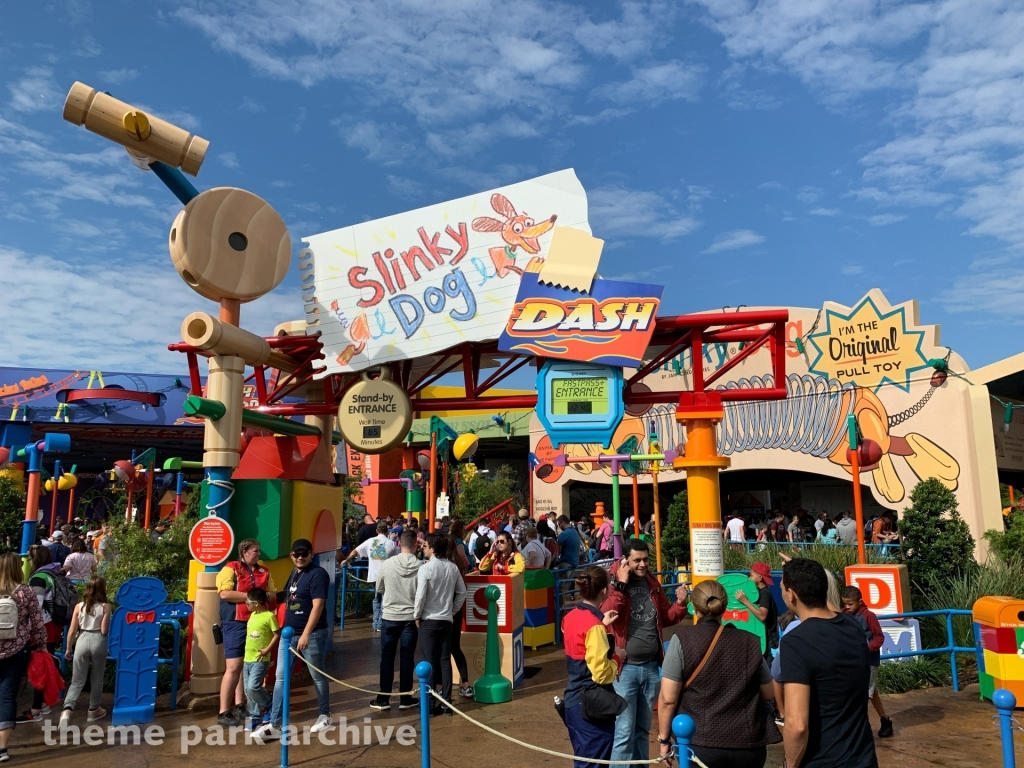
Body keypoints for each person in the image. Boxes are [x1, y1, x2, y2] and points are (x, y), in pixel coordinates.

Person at [658, 580, 777, 768]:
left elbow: (667, 699)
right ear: (725, 606)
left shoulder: (682, 640)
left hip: (698, 742)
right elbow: (769, 693)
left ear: (694, 607)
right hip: (748, 743)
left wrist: (664, 741)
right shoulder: (749, 641)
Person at [778, 558, 877, 768]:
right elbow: (827, 605)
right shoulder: (853, 627)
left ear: (791, 594)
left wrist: (790, 765)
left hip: (823, 761)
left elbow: (797, 725)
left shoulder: (795, 642)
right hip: (863, 758)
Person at [602, 539, 688, 768]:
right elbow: (605, 614)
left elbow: (665, 617)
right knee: (623, 731)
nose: (642, 564)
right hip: (625, 668)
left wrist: (680, 604)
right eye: (637, 560)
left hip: (650, 666)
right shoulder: (613, 582)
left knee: (642, 730)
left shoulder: (652, 583)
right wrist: (621, 585)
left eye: (645, 559)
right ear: (625, 561)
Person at [257, 539, 333, 740]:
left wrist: (307, 633)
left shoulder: (318, 574)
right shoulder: (295, 573)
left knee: (317, 675)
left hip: (313, 634)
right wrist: (263, 597)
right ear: (291, 556)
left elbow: (318, 606)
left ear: (311, 553)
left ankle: (325, 714)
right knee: (281, 677)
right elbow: (287, 596)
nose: (300, 558)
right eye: (296, 555)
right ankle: (275, 724)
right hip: (288, 634)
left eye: (304, 554)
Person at [561, 565, 623, 768]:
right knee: (594, 763)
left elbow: (581, 641)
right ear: (604, 591)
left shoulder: (569, 617)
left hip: (574, 699)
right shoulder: (594, 626)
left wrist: (601, 622)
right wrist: (618, 658)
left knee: (584, 759)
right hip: (591, 703)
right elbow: (601, 674)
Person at [216, 538, 276, 727]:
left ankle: (240, 704)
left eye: (259, 551)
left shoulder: (264, 571)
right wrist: (254, 598)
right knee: (233, 667)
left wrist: (261, 598)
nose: (259, 554)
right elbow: (225, 593)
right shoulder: (230, 568)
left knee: (247, 665)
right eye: (255, 551)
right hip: (235, 621)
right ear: (244, 552)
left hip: (257, 624)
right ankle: (224, 712)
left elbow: (272, 594)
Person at [0, 551, 46, 759]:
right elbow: (37, 622)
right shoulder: (25, 592)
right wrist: (42, 645)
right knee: (8, 694)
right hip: (18, 650)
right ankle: (1, 747)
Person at [414, 534, 466, 716]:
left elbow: (420, 596)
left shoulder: (425, 569)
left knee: (429, 661)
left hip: (429, 619)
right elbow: (462, 593)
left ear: (433, 548)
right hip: (446, 620)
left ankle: (429, 704)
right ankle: (447, 703)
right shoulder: (453, 568)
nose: (424, 548)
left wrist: (416, 615)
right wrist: (452, 610)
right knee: (445, 660)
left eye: (426, 545)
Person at [371, 530, 422, 712]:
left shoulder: (388, 564)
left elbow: (379, 587)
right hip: (410, 617)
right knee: (407, 658)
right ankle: (405, 697)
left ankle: (383, 697)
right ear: (416, 545)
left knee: (387, 657)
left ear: (399, 543)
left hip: (390, 616)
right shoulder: (420, 565)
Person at [18, 546, 64, 724]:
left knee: (38, 666)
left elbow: (34, 607)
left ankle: (36, 708)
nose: (28, 562)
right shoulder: (52, 574)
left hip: (41, 626)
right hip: (52, 624)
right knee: (46, 662)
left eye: (30, 558)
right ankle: (43, 703)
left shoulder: (38, 578)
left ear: (35, 559)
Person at [841, 586, 892, 738]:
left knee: (864, 694)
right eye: (845, 604)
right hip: (852, 660)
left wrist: (866, 649)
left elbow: (879, 637)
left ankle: (859, 727)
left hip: (868, 660)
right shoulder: (844, 614)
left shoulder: (869, 616)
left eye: (850, 604)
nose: (847, 607)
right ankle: (884, 719)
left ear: (860, 602)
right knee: (869, 691)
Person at [60, 576, 111, 725]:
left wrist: (68, 648)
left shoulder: (79, 606)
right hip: (98, 641)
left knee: (77, 680)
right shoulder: (105, 607)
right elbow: (104, 630)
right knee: (97, 677)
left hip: (82, 640)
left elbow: (71, 630)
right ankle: (93, 711)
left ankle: (67, 711)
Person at [342, 520, 398, 633]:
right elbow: (397, 558)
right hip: (387, 575)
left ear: (377, 531)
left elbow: (355, 551)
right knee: (384, 600)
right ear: (387, 531)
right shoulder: (391, 543)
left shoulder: (370, 541)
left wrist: (346, 560)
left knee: (377, 599)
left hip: (373, 576)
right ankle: (381, 624)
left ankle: (375, 623)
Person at [242, 587, 280, 730]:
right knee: (247, 690)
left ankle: (269, 705)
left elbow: (276, 634)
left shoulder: (269, 616)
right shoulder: (252, 616)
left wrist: (266, 650)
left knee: (253, 687)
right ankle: (255, 716)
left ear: (256, 603)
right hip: (247, 658)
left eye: (248, 602)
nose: (246, 604)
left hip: (260, 659)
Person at [445, 533, 474, 699]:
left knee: (443, 651)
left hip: (444, 610)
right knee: (455, 647)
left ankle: (443, 687)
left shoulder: (446, 565)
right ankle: (465, 684)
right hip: (457, 609)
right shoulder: (460, 562)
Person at [732, 562, 779, 662]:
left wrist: (745, 601)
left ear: (760, 577)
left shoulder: (765, 593)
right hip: (765, 636)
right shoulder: (759, 592)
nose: (749, 578)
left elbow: (762, 616)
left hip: (769, 638)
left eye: (751, 575)